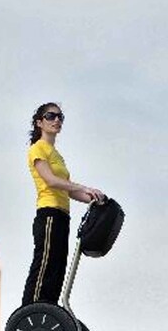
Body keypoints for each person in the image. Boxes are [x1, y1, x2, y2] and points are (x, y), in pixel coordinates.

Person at [21, 102, 105, 306]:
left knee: (58, 268)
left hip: (62, 216)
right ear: (40, 122)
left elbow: (69, 190)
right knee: (44, 265)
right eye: (51, 116)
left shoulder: (56, 154)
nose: (56, 120)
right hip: (48, 214)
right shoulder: (37, 149)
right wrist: (83, 187)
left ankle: (49, 312)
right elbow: (50, 180)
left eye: (60, 117)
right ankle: (30, 310)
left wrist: (94, 199)